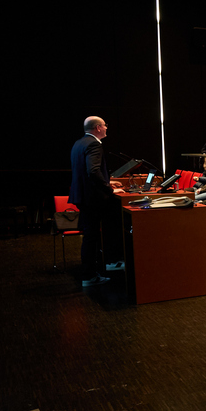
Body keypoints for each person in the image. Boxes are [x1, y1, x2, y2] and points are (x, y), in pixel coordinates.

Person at [69, 116, 123, 285]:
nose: (107, 128)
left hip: (83, 196)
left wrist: (108, 181)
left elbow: (86, 172)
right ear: (98, 127)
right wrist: (109, 189)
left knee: (91, 235)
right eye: (105, 125)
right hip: (93, 199)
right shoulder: (94, 144)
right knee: (92, 236)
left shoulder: (79, 143)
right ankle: (90, 275)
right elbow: (92, 171)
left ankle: (100, 267)